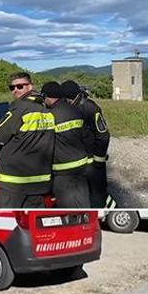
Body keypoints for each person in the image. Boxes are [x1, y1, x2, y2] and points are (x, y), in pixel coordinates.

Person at [0, 72, 54, 208]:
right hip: (39, 182)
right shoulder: (46, 110)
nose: (15, 90)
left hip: (14, 183)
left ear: (30, 86)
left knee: (6, 222)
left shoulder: (19, 108)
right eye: (12, 87)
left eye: (20, 86)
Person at [58, 80, 114, 209]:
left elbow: (103, 135)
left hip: (93, 162)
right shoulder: (71, 107)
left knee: (98, 194)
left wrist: (98, 160)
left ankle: (107, 209)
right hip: (80, 161)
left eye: (66, 99)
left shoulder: (90, 108)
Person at [41, 82, 91, 208]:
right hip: (81, 166)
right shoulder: (76, 110)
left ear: (47, 97)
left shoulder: (49, 116)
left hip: (62, 171)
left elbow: (45, 144)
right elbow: (87, 137)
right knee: (83, 201)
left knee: (67, 207)